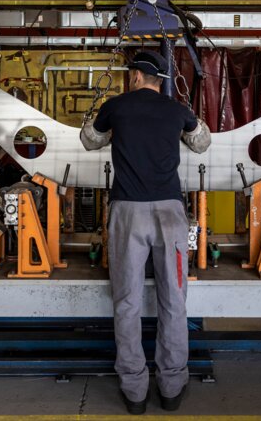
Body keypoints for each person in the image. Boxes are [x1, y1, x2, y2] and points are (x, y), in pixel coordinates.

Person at [80, 50, 211, 415]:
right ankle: (171, 387)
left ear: (137, 76)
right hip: (170, 213)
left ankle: (134, 390)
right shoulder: (176, 110)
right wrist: (190, 123)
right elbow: (201, 143)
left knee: (127, 302)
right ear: (161, 80)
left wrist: (102, 124)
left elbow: (90, 140)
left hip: (128, 213)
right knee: (173, 300)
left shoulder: (116, 107)